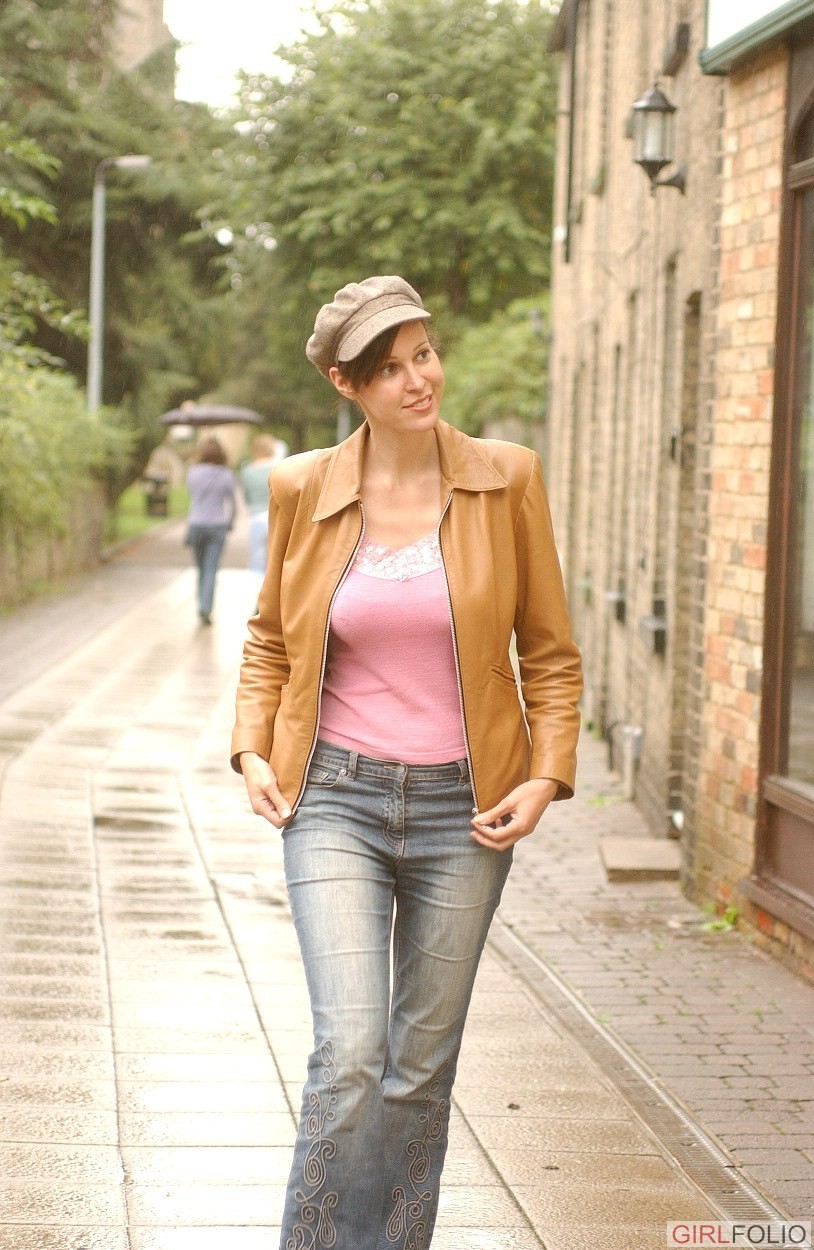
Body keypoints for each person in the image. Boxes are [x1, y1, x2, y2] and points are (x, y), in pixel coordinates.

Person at [231, 276, 582, 1250]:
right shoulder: (303, 487)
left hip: (464, 810)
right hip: (334, 796)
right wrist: (252, 745)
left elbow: (549, 650)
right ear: (346, 384)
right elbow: (269, 636)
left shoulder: (506, 478)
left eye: (423, 353)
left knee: (419, 1070)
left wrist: (545, 773)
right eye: (389, 368)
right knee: (349, 1051)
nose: (418, 379)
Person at [185, 436, 236, 625]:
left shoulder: (193, 473)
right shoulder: (226, 475)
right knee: (211, 568)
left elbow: (191, 495)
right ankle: (206, 607)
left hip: (196, 524)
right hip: (217, 525)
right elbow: (233, 503)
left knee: (200, 568)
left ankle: (202, 603)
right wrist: (230, 522)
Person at [239, 433, 289, 584]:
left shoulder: (247, 471)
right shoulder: (278, 469)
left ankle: (258, 593)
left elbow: (247, 497)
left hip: (256, 518)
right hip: (276, 519)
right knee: (276, 561)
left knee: (257, 561)